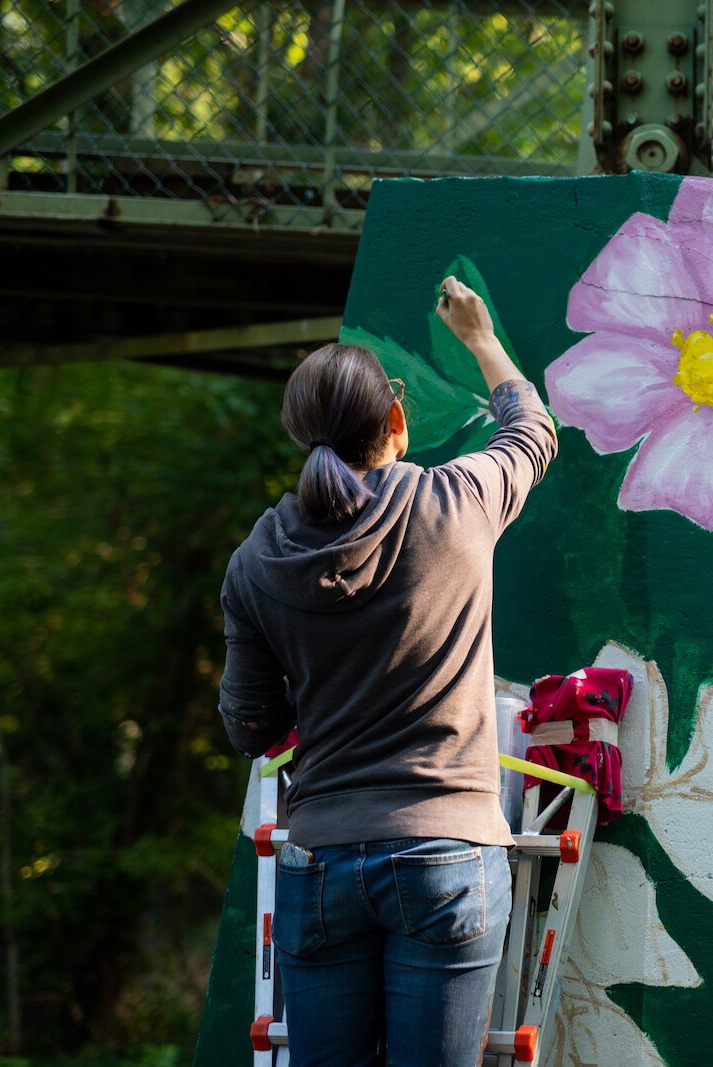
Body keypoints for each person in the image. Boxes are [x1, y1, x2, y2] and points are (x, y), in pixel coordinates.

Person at [216, 276, 557, 1066]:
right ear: (397, 422)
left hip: (321, 862)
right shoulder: (457, 502)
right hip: (448, 855)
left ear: (303, 437)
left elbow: (252, 729)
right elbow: (533, 431)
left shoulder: (255, 563)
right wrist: (479, 337)